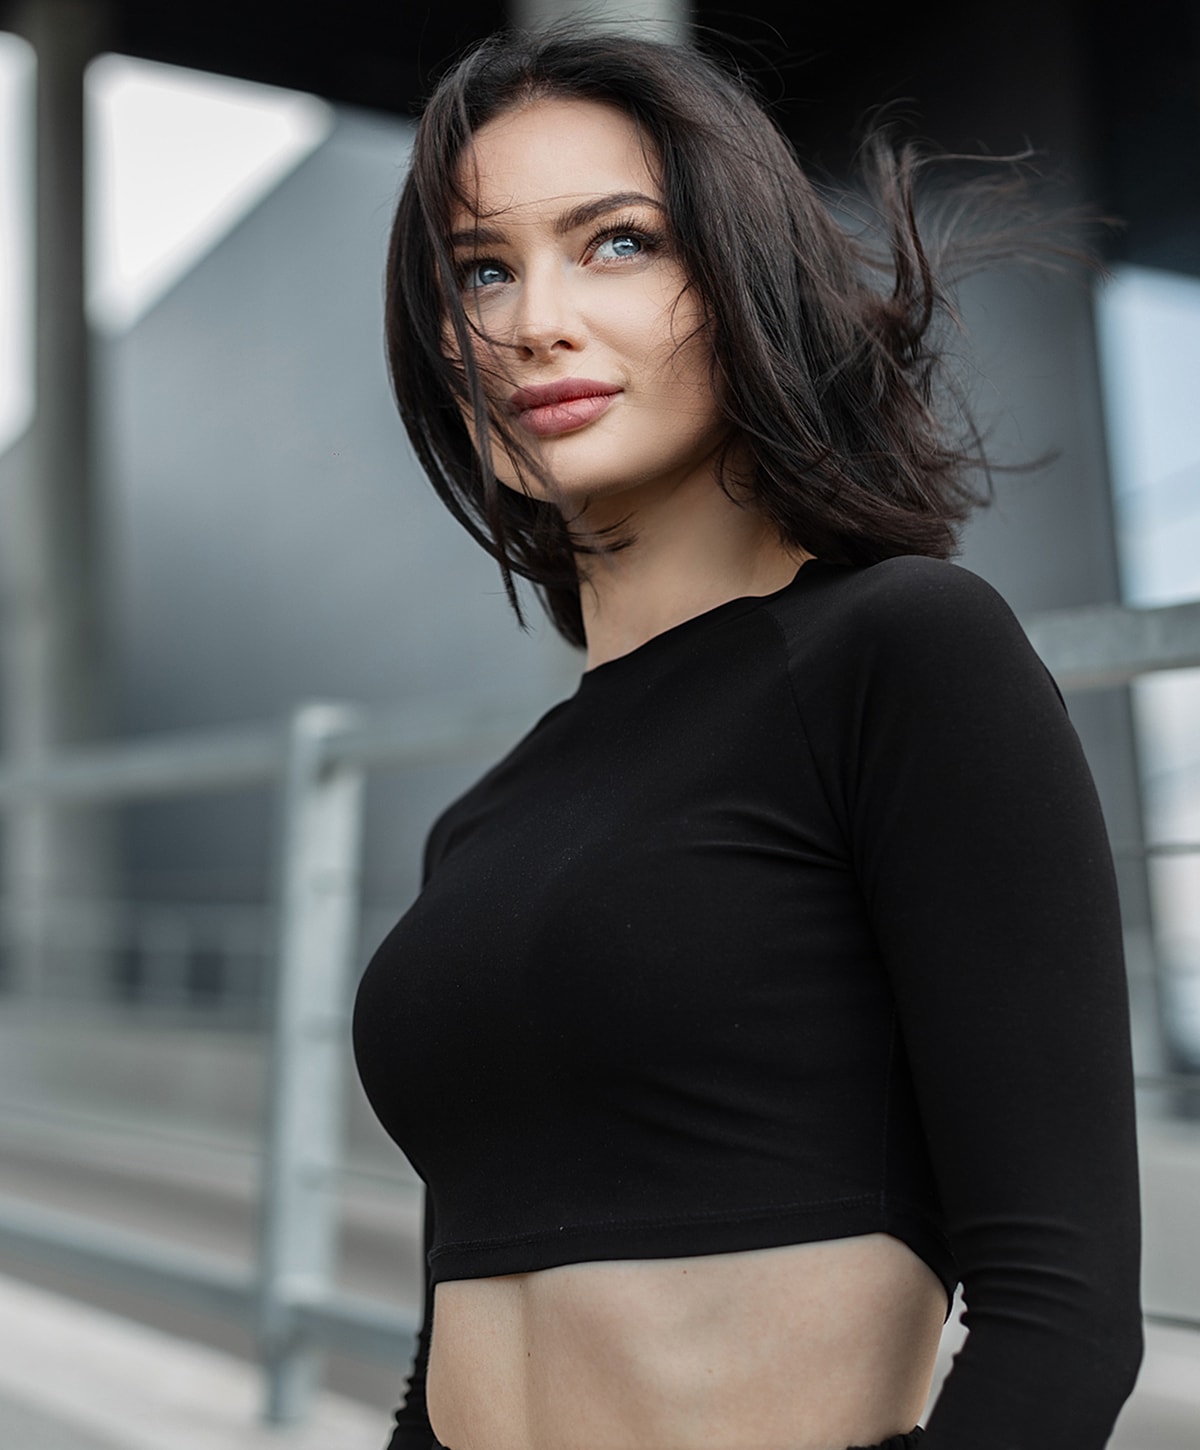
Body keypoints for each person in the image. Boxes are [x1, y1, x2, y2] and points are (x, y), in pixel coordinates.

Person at [351, 26, 1143, 1450]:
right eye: (481, 267)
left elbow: (1062, 1317)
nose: (532, 319)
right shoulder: (481, 821)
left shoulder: (904, 655)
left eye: (617, 243)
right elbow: (456, 1334)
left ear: (742, 269)